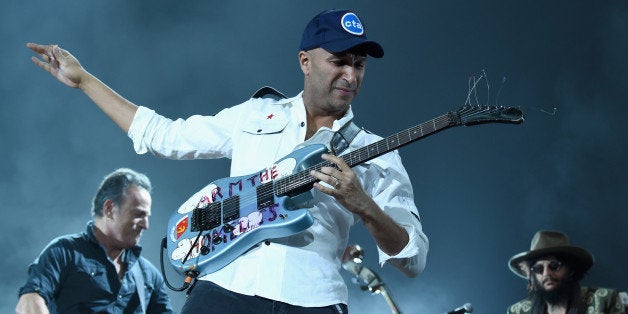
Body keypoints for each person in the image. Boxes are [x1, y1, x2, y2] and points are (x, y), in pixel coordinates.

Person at [26, 8, 429, 313]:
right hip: (222, 290)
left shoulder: (377, 152)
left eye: (359, 65)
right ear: (305, 62)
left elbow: (413, 258)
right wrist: (84, 81)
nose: (351, 75)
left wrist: (364, 206)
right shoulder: (255, 115)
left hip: (311, 300)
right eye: (339, 61)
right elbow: (163, 136)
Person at [15, 168, 174, 314]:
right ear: (109, 209)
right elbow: (29, 301)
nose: (145, 225)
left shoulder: (149, 275)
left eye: (147, 216)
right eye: (139, 214)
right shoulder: (64, 252)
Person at [507, 230, 624, 314]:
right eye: (538, 269)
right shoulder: (517, 312)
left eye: (554, 266)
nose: (546, 274)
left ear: (571, 269)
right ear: (531, 276)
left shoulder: (605, 301)